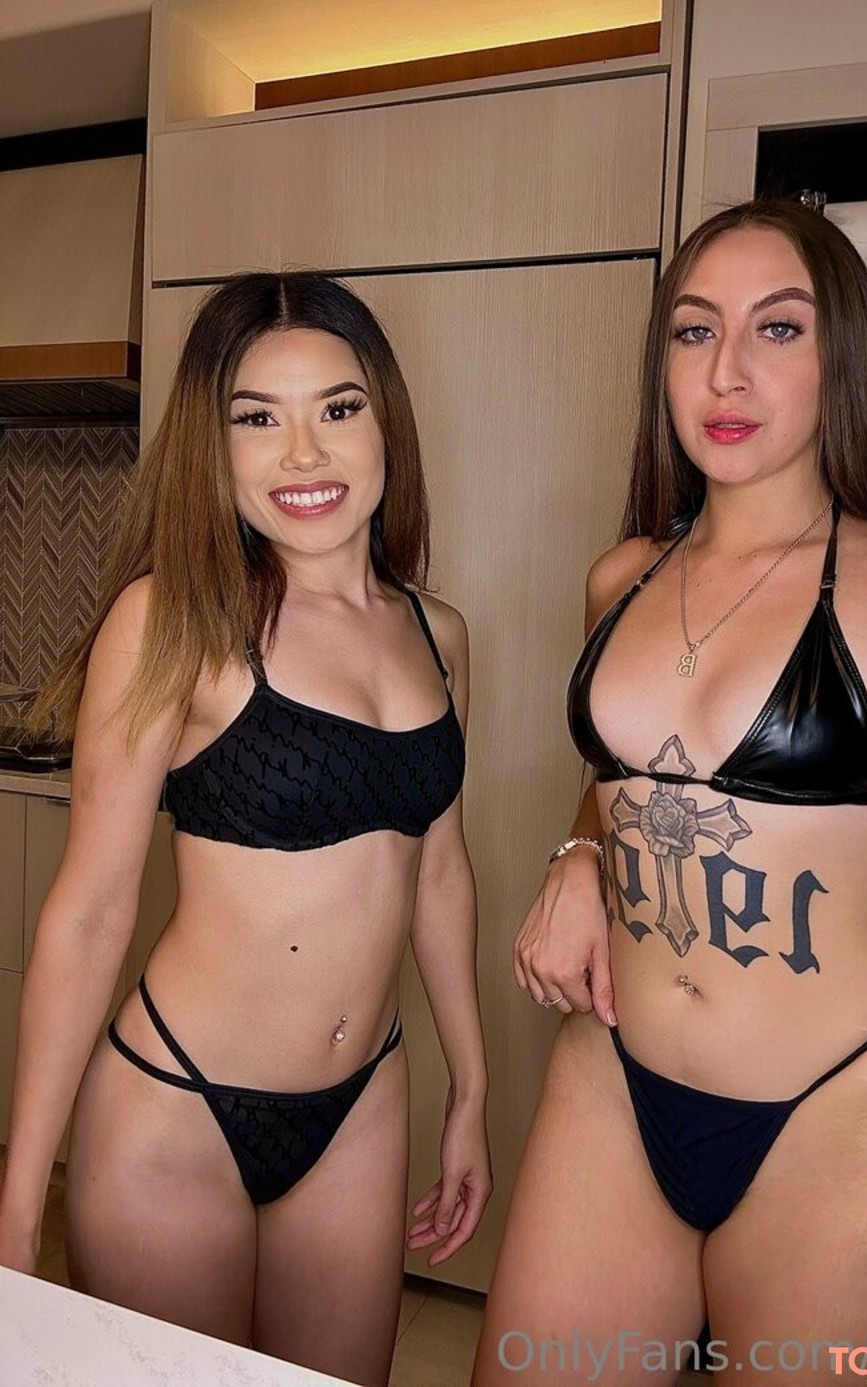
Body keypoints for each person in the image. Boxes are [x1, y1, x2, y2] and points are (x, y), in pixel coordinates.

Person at [473, 200, 867, 1385]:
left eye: (779, 328)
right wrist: (579, 857)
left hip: (846, 1109)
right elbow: (633, 775)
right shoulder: (621, 577)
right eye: (695, 331)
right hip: (614, 1079)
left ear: (841, 354)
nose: (728, 372)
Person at [0, 272, 491, 1387]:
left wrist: (472, 1089)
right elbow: (91, 913)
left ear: (385, 420)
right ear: (212, 450)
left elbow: (440, 874)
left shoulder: (441, 634)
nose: (303, 453)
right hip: (178, 1107)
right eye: (257, 419)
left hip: (363, 1104)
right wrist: (19, 1208)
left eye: (338, 408)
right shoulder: (171, 620)